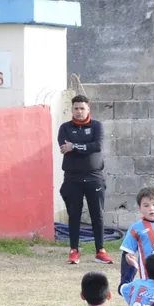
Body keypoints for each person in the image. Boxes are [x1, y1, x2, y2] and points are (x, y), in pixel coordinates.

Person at [58, 94, 113, 266]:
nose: (79, 112)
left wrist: (74, 146)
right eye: (76, 108)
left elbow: (96, 146)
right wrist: (83, 147)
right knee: (73, 216)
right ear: (72, 110)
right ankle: (74, 251)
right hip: (72, 178)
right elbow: (63, 147)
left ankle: (100, 251)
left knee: (97, 215)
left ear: (88, 109)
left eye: (82, 108)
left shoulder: (97, 126)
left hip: (94, 178)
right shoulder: (65, 128)